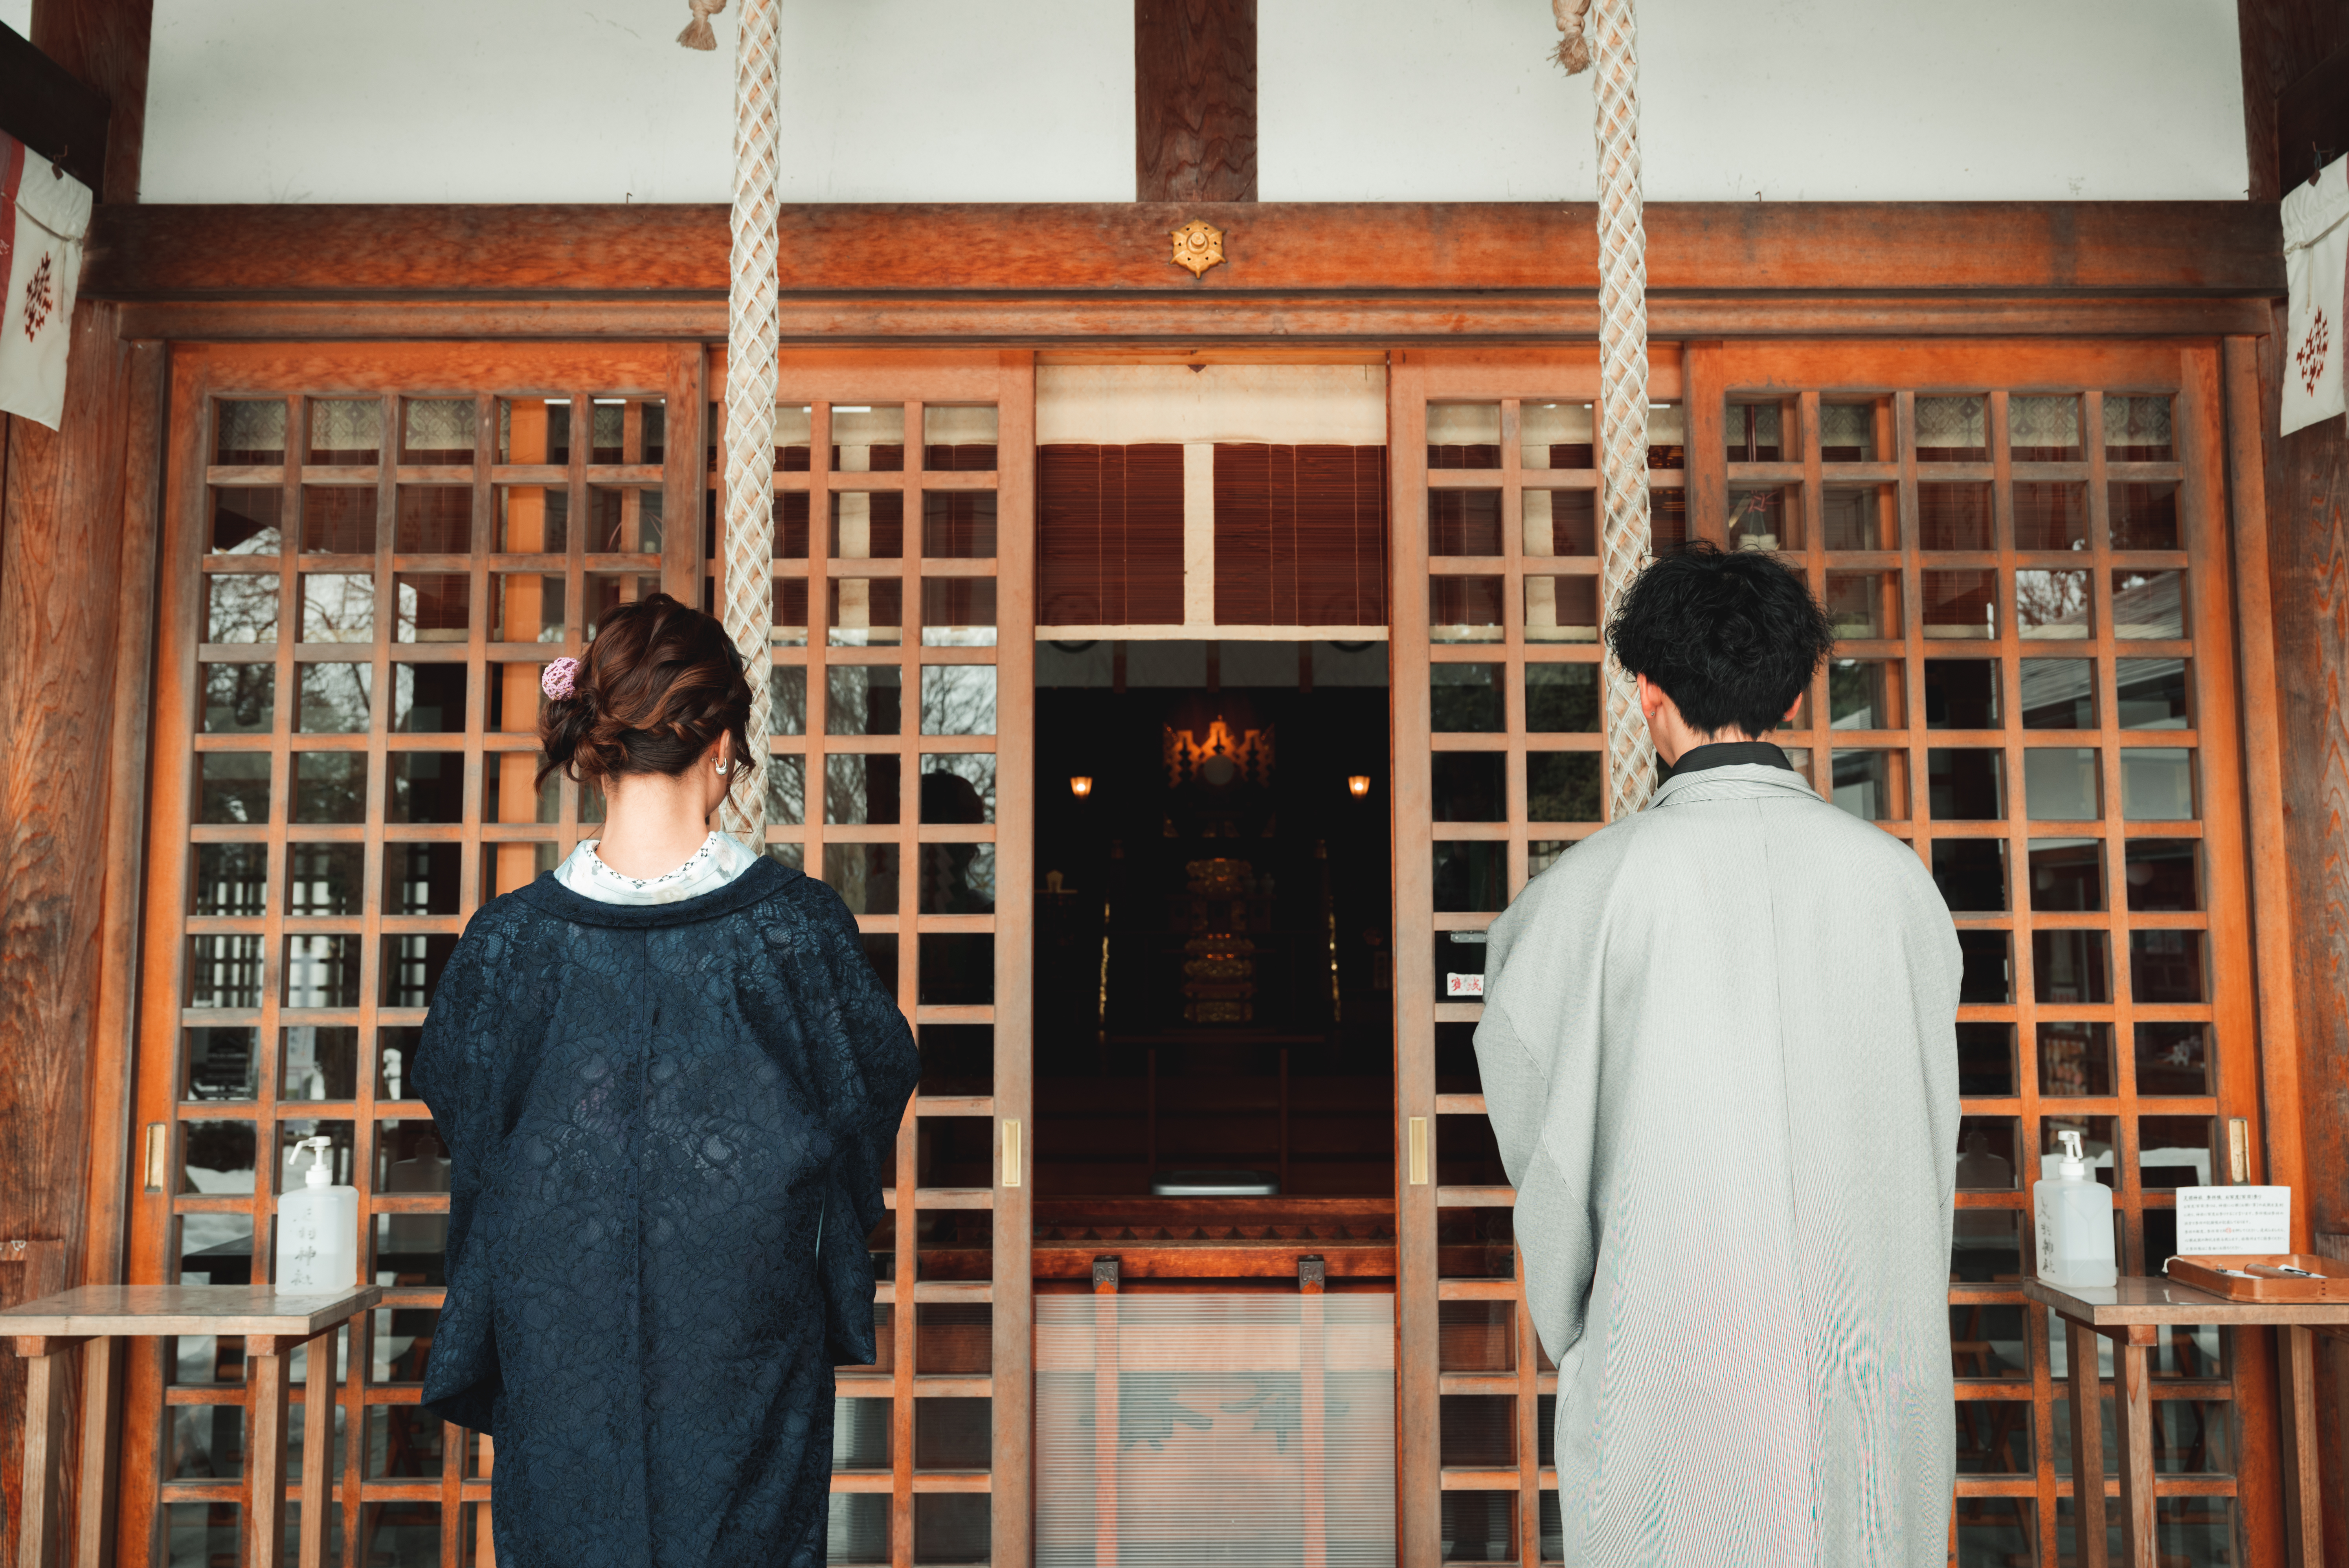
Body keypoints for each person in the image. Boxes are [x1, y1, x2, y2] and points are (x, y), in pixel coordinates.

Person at [1474, 543, 1960, 1566]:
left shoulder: (1585, 890)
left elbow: (1537, 1122)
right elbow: (1929, 1121)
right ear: (1787, 691)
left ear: (1648, 692)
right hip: (1862, 1323)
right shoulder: (1894, 883)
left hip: (1670, 1321)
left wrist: (1577, 1314)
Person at [415, 593, 919, 1568]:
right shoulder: (796, 931)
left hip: (553, 1321)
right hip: (746, 1325)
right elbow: (868, 1094)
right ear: (723, 739)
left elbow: (464, 1117)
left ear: (595, 740)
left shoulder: (508, 943)